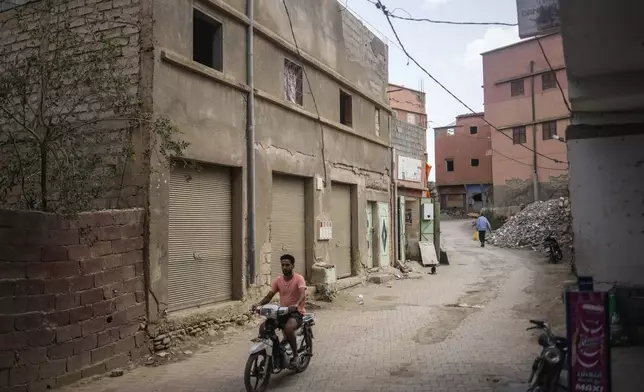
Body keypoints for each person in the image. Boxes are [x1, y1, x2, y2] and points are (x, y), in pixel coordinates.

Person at [252, 254, 306, 367]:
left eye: (287, 265)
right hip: (282, 311)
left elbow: (302, 293)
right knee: (264, 328)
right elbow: (269, 295)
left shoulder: (299, 278)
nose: (285, 267)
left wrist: (296, 305)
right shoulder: (278, 280)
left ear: (293, 266)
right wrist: (259, 304)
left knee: (288, 328)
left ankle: (295, 355)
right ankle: (273, 352)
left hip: (296, 312)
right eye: (283, 265)